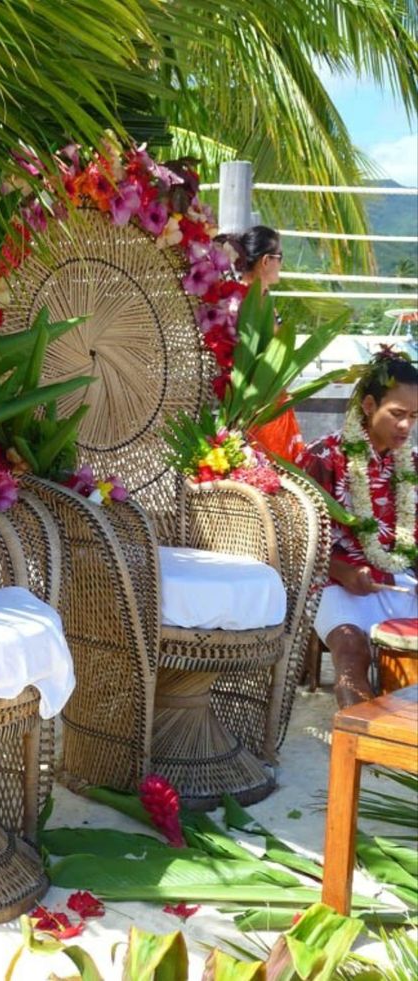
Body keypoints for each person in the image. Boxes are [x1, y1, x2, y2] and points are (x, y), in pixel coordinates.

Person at [302, 352, 418, 708]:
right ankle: (366, 749)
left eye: (414, 417)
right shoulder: (324, 456)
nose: (406, 427)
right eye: (397, 414)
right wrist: (343, 571)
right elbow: (299, 538)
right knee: (352, 653)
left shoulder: (411, 464)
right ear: (369, 405)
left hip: (397, 579)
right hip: (333, 583)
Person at [220, 225, 305, 463]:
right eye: (281, 258)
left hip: (266, 403)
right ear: (267, 260)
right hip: (257, 408)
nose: (281, 264)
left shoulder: (247, 299)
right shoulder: (248, 303)